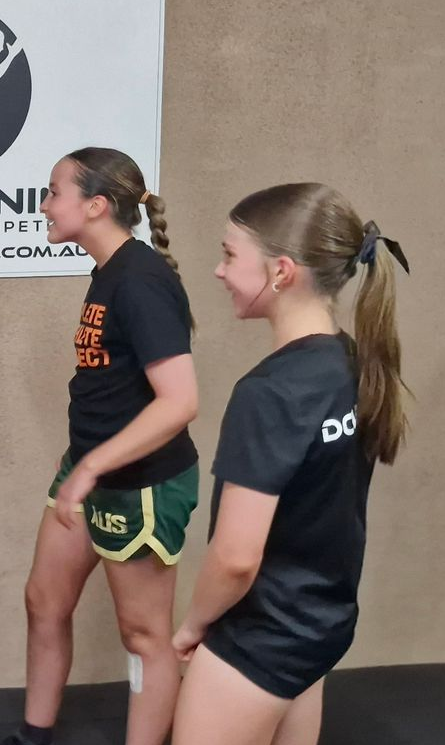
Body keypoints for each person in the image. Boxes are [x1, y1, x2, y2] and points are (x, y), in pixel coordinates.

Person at [172, 184, 409, 745]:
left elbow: (234, 559)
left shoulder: (269, 393)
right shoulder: (354, 361)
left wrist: (193, 626)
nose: (219, 270)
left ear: (281, 272)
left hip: (261, 638)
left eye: (231, 255)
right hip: (318, 627)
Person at [2, 147, 199, 745]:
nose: (43, 204)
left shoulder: (140, 281)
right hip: (89, 469)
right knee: (44, 601)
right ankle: (34, 735)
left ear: (95, 205)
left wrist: (94, 465)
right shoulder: (109, 272)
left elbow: (180, 401)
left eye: (53, 191)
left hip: (138, 482)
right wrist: (84, 466)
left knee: (143, 636)